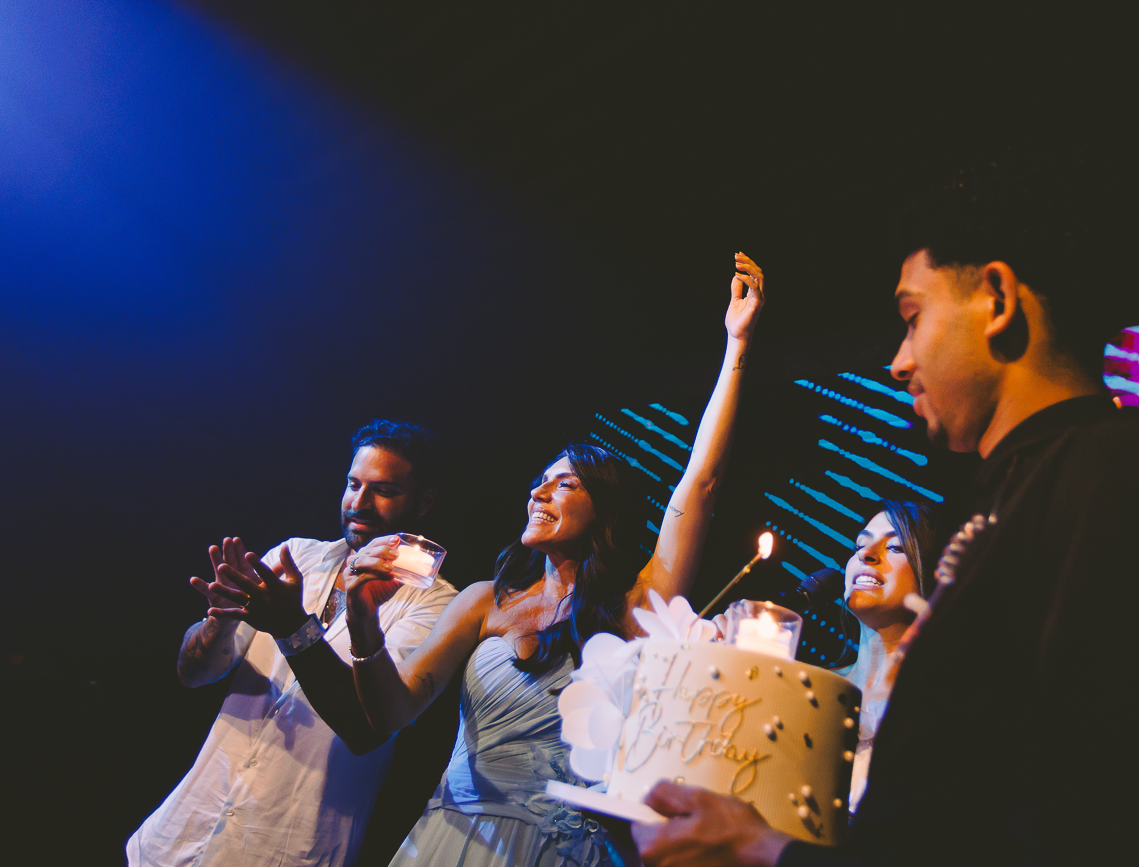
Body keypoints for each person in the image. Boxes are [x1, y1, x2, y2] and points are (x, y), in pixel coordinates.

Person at [632, 158, 1139, 866]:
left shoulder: (1120, 472)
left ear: (995, 298)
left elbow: (1103, 818)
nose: (899, 361)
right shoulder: (1010, 496)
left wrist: (764, 849)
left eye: (912, 317)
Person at [317, 253, 765, 866]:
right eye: (539, 481)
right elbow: (392, 711)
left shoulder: (637, 603)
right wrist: (364, 628)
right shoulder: (483, 602)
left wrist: (736, 344)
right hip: (447, 843)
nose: (539, 491)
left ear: (603, 513)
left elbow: (702, 482)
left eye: (565, 484)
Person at [128, 421, 459, 867]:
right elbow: (192, 674)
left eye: (384, 490)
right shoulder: (298, 555)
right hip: (181, 835)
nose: (359, 503)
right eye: (352, 484)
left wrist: (292, 628)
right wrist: (217, 625)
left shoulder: (438, 602)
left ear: (425, 502)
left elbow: (369, 725)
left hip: (287, 848)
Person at [833, 501, 943, 814]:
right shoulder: (810, 686)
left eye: (895, 547)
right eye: (860, 544)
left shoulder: (941, 707)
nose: (865, 555)